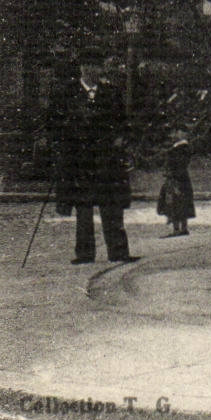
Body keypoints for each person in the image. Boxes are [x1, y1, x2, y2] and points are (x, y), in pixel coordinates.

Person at [50, 48, 135, 264]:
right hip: (80, 161)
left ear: (101, 68)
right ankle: (85, 254)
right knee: (84, 208)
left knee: (112, 207)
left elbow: (122, 123)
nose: (91, 70)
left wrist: (119, 140)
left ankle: (118, 252)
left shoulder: (111, 93)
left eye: (96, 66)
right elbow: (55, 124)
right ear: (81, 68)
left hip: (106, 160)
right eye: (87, 65)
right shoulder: (67, 93)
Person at [155, 136, 195, 237]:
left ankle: (177, 229)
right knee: (181, 202)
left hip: (176, 178)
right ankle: (183, 228)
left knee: (174, 202)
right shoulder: (182, 149)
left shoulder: (178, 150)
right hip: (181, 178)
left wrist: (170, 174)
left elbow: (175, 164)